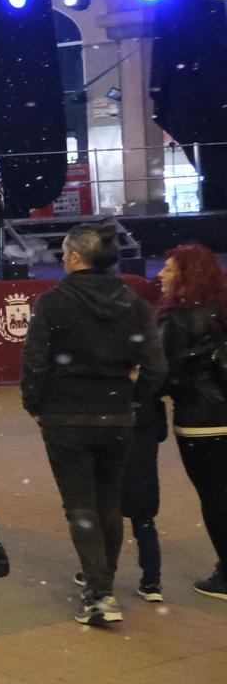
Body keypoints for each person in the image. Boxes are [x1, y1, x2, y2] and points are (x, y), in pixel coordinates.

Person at [19, 221, 167, 626]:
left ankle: (99, 591)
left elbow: (33, 362)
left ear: (76, 258)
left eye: (66, 252)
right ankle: (103, 586)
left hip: (65, 417)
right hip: (117, 416)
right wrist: (133, 399)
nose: (63, 258)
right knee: (109, 505)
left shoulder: (52, 303)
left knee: (81, 506)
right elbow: (156, 367)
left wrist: (35, 404)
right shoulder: (133, 304)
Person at [156, 243, 227, 599]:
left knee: (215, 497)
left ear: (186, 275)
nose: (160, 275)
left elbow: (164, 376)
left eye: (169, 269)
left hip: (201, 421)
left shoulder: (176, 318)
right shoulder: (222, 308)